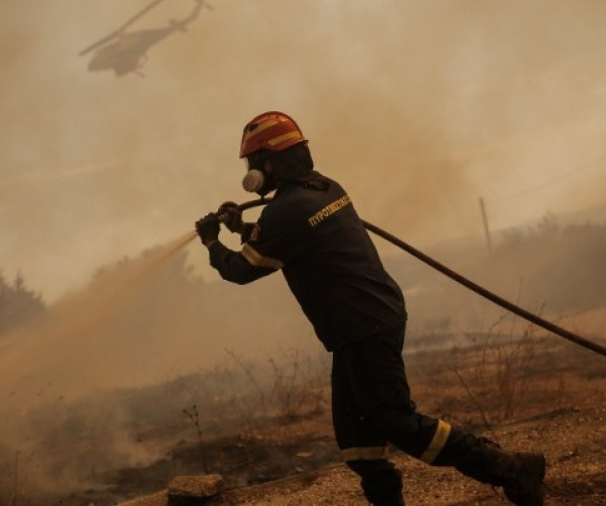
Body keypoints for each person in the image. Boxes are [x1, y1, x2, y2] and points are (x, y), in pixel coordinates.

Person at [194, 111, 546, 506]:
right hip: (364, 323)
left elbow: (242, 270)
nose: (250, 172)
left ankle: (511, 467)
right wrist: (241, 229)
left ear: (270, 163)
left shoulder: (286, 211)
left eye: (253, 163)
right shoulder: (324, 188)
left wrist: (211, 242)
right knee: (357, 442)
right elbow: (287, 241)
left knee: (399, 423)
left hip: (363, 326)